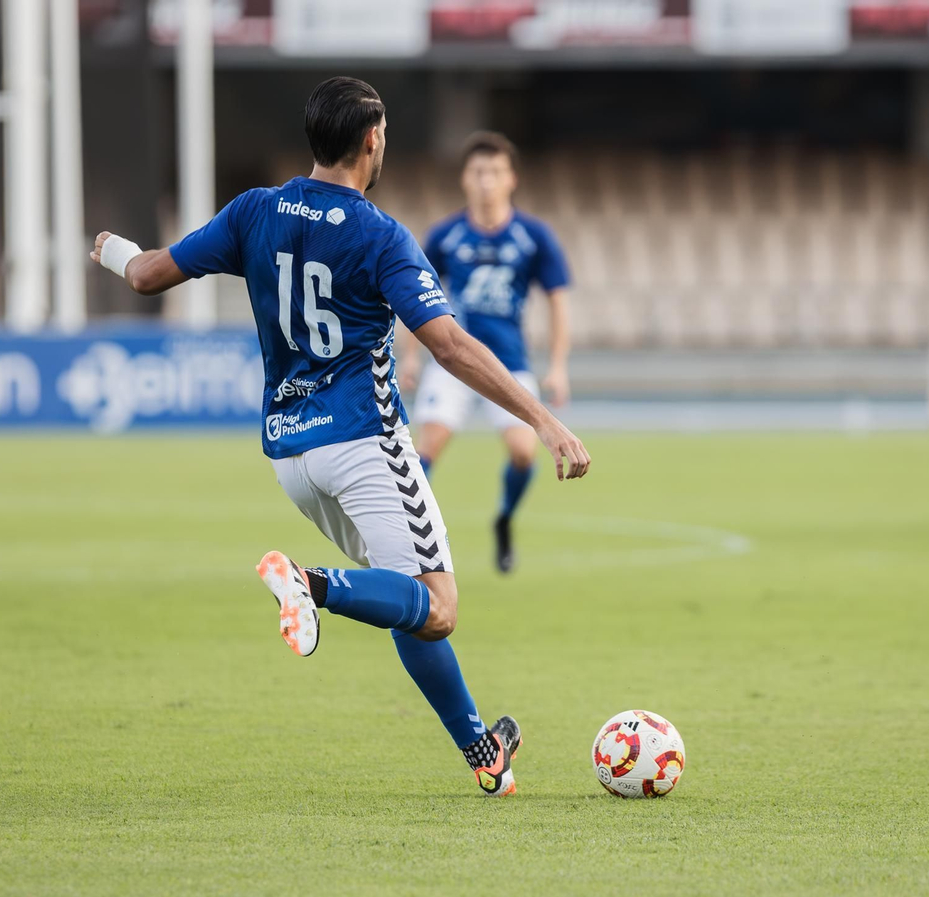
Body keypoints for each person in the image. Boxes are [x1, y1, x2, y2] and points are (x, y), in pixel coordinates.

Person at [88, 76, 592, 795]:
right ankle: (310, 584)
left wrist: (108, 247)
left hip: (291, 455)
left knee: (403, 595)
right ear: (372, 140)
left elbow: (144, 275)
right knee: (438, 604)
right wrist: (542, 418)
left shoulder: (254, 212)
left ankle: (483, 751)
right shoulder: (378, 234)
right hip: (365, 441)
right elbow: (448, 344)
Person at [397, 132, 572, 574]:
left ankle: (505, 518)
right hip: (453, 362)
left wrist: (557, 367)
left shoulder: (534, 237)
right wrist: (411, 357)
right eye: (478, 172)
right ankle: (412, 542)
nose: (486, 181)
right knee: (426, 451)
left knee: (522, 454)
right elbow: (411, 296)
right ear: (464, 179)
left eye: (495, 172)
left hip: (509, 364)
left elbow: (558, 300)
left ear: (511, 178)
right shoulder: (446, 236)